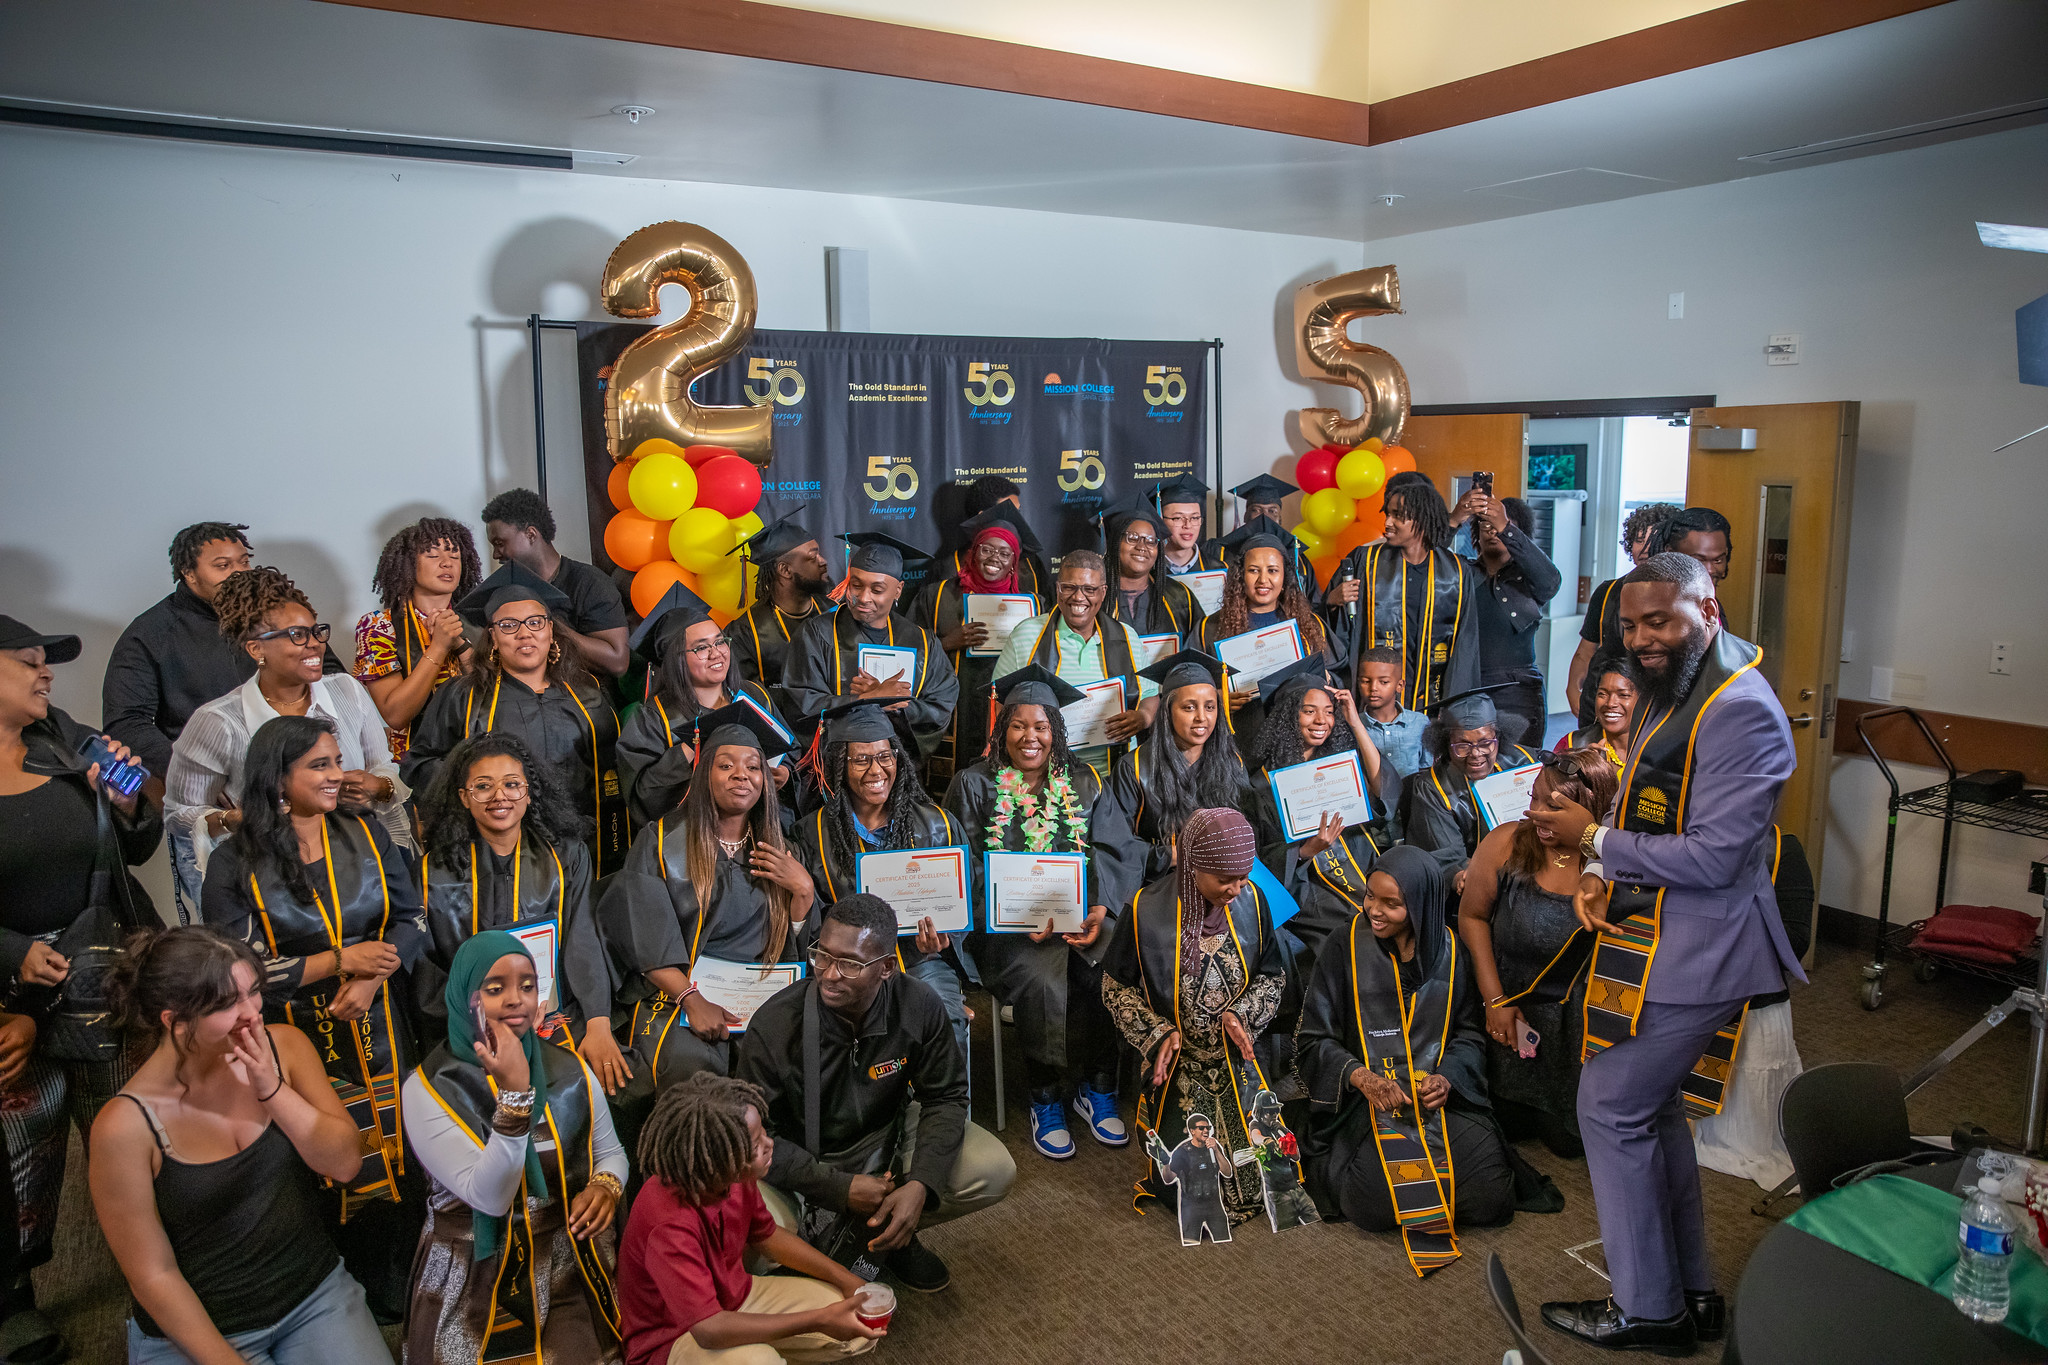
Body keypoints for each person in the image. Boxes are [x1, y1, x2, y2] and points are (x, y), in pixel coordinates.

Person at [1524, 552, 1799, 1355]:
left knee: (1609, 1103)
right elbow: (1650, 800)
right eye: (1633, 624)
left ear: (1707, 612)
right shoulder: (1676, 682)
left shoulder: (1740, 708)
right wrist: (1603, 873)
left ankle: (1651, 1311)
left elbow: (1713, 856)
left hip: (1706, 946)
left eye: (1662, 621)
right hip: (1657, 932)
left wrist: (1595, 840)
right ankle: (1691, 1295)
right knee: (1652, 1109)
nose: (1644, 639)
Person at [199, 714, 430, 1321]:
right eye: (319, 766)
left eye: (336, 761)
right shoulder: (234, 862)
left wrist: (374, 973)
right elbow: (234, 972)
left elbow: (415, 921)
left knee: (400, 1144)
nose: (336, 776)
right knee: (313, 1153)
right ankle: (330, 1285)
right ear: (278, 779)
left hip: (383, 1017)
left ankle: (403, 1275)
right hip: (288, 1029)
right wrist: (336, 962)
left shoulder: (367, 832)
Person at [91, 927, 390, 1365]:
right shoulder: (123, 1127)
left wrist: (273, 1090)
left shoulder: (284, 1046)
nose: (251, 1013)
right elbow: (153, 1276)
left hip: (314, 1296)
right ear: (173, 1020)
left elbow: (345, 1164)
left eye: (253, 992)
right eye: (227, 1004)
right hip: (199, 1332)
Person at [1, 615, 162, 1362]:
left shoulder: (69, 736)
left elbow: (138, 838)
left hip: (104, 974)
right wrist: (11, 956)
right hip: (10, 1004)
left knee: (125, 1131)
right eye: (29, 663)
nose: (46, 674)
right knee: (22, 1154)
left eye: (46, 663)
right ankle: (14, 1298)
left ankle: (152, 1279)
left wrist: (129, 801)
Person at [737, 894, 1016, 1294]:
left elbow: (947, 1097)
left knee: (992, 1168)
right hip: (798, 1164)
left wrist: (919, 1186)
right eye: (823, 956)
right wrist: (836, 1188)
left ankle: (892, 1234)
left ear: (887, 968)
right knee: (758, 1225)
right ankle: (813, 1259)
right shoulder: (777, 1025)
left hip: (883, 1147)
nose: (830, 974)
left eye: (850, 963)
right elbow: (751, 1141)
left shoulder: (919, 1004)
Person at [401, 931, 626, 1363]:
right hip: (468, 1264)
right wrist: (516, 1098)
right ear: (464, 996)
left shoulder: (572, 1069)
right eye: (494, 988)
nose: (515, 999)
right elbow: (490, 1197)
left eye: (527, 985)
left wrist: (606, 1186)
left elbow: (612, 1152)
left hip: (560, 1254)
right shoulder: (427, 1087)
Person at [1296, 846, 1515, 1271]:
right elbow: (1312, 1039)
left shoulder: (1451, 951)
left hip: (1438, 1099)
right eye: (1370, 897)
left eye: (1391, 904)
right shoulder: (1345, 946)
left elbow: (1468, 1032)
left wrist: (1447, 1078)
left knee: (1492, 1195)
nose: (1374, 911)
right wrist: (1363, 1078)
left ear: (1419, 905)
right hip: (1366, 1102)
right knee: (1369, 1202)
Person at [942, 667, 1120, 1161]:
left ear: (1056, 733)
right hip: (1004, 930)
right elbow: (964, 865)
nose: (1030, 737)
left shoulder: (1083, 781)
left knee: (1111, 964)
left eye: (1041, 726)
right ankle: (1046, 1096)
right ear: (1002, 730)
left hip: (1078, 919)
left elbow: (1106, 852)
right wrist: (1020, 913)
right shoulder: (974, 784)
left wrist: (1099, 907)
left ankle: (1098, 1085)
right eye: (1019, 725)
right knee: (1044, 979)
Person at [102, 523, 319, 923]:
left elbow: (323, 676)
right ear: (189, 574)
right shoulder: (150, 634)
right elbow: (126, 723)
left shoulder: (274, 617)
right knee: (234, 938)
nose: (239, 573)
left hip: (300, 796)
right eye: (223, 565)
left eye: (243, 561)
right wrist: (192, 772)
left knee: (315, 918)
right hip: (215, 812)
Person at [167, 567, 413, 911]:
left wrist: (377, 787)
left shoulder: (346, 691)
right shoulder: (219, 721)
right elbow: (179, 813)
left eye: (316, 631)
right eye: (297, 634)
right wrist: (234, 820)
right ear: (256, 649)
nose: (314, 643)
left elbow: (384, 768)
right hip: (275, 886)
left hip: (361, 870)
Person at [601, 705, 815, 1100]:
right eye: (726, 765)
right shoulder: (661, 842)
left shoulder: (782, 852)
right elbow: (645, 935)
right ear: (704, 773)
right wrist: (691, 999)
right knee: (694, 1066)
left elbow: (797, 952)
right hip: (677, 998)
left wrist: (803, 892)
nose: (742, 775)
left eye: (753, 767)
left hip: (760, 1000)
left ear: (766, 781)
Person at [1101, 808, 1288, 1230]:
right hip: (1179, 1069)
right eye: (1225, 879)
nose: (1237, 889)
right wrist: (1158, 1032)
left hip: (1237, 1068)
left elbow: (1273, 976)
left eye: (1243, 877)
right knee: (1193, 1186)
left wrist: (1243, 1015)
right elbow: (1113, 987)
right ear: (1192, 864)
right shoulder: (1144, 911)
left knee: (1263, 1176)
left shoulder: (1253, 901)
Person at [414, 733, 628, 1093]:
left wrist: (598, 1022)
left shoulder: (566, 857)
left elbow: (583, 940)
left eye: (512, 784)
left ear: (529, 792)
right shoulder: (433, 873)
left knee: (596, 1084)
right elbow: (427, 970)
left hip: (557, 1013)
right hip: (471, 1025)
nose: (500, 796)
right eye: (483, 786)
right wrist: (480, 1022)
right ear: (464, 797)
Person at [618, 1073, 883, 1365]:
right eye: (756, 1146)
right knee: (761, 1361)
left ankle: (757, 1346)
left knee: (857, 1323)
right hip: (675, 1339)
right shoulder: (668, 1224)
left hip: (733, 1300)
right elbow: (708, 1330)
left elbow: (766, 1234)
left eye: (762, 1134)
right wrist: (817, 1320)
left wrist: (845, 1279)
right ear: (718, 1163)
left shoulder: (732, 1178)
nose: (769, 1145)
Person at [404, 563, 628, 877]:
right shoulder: (462, 696)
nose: (525, 633)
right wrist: (474, 785)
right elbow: (420, 762)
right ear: (492, 637)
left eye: (536, 622)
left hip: (585, 850)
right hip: (496, 854)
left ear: (551, 631)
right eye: (509, 625)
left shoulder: (586, 692)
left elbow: (613, 769)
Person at [1455, 748, 1621, 1160]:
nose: (1536, 815)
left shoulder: (1614, 866)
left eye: (1553, 807)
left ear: (1589, 812)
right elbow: (1472, 917)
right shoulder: (1505, 843)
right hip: (1510, 1015)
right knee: (1497, 1123)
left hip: (1577, 1029)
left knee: (1569, 1143)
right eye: (1533, 800)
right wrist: (1495, 1002)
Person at [796, 700, 970, 1068]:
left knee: (944, 1019)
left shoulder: (937, 824)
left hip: (922, 961)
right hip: (847, 970)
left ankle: (941, 1119)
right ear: (840, 766)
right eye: (861, 760)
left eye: (885, 756)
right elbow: (814, 921)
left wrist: (944, 940)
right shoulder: (812, 833)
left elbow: (967, 899)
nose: (877, 770)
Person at [1242, 657, 1387, 971]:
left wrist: (1355, 721)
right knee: (1353, 931)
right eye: (1309, 711)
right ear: (1287, 717)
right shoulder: (1261, 786)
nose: (1322, 720)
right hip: (1306, 890)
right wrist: (1307, 850)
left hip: (1364, 869)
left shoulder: (1339, 767)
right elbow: (1257, 865)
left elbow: (1382, 789)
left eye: (1329, 712)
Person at [1090, 650, 1259, 916]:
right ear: (1167, 712)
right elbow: (1115, 843)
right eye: (1189, 707)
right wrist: (1171, 855)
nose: (1202, 717)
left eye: (1210, 706)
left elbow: (1251, 829)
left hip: (1224, 888)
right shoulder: (1133, 768)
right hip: (1158, 887)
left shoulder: (1231, 763)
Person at [620, 583, 788, 824]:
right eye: (701, 648)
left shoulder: (754, 695)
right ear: (676, 660)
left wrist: (784, 773)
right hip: (690, 834)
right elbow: (643, 797)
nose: (716, 653)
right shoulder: (653, 718)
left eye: (720, 642)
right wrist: (691, 746)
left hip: (757, 827)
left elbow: (788, 752)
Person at [782, 532, 960, 761]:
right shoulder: (816, 634)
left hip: (899, 769)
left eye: (877, 590)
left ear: (898, 590)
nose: (863, 597)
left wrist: (896, 705)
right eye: (856, 585)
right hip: (835, 768)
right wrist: (865, 700)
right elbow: (801, 705)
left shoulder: (922, 642)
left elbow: (940, 704)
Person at [987, 550, 1158, 774]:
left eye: (1089, 589)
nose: (1078, 597)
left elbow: (1150, 696)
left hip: (1112, 775)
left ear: (1103, 592)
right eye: (1069, 587)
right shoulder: (1027, 635)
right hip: (1040, 777)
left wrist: (1142, 717)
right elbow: (998, 701)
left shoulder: (1126, 637)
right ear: (1058, 589)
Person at [1323, 478, 1480, 712]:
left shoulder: (1456, 572)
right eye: (1387, 514)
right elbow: (1339, 632)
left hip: (1432, 701)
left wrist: (1456, 709)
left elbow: (1465, 645)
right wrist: (1331, 603)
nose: (1387, 522)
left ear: (1422, 519)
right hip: (1372, 704)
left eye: (1397, 515)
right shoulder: (1365, 561)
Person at [908, 515, 1043, 785]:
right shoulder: (937, 595)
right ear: (973, 552)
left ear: (1014, 563)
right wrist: (946, 642)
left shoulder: (1032, 606)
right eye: (987, 549)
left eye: (1005, 553)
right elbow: (905, 650)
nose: (995, 558)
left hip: (1004, 704)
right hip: (953, 706)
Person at [355, 516, 482, 762]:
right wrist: (439, 646)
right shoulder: (380, 626)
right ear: (407, 565)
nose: (447, 563)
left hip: (479, 757)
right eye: (433, 556)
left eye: (455, 556)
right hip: (415, 765)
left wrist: (462, 646)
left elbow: (495, 698)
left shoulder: (480, 622)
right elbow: (395, 714)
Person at [1191, 528, 1333, 740]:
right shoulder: (1209, 628)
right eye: (1254, 570)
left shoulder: (1310, 626)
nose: (1263, 580)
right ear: (1240, 576)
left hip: (1295, 739)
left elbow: (1338, 675)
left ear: (1285, 577)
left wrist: (1326, 679)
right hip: (1235, 737)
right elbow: (1189, 682)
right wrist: (1215, 698)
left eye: (1273, 570)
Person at [1399, 686, 1542, 895]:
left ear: (1498, 737)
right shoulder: (1433, 788)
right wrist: (1462, 875)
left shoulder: (1524, 762)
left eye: (1486, 743)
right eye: (1462, 745)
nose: (1476, 754)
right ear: (1445, 743)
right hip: (1478, 885)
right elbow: (1447, 855)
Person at [481, 488, 632, 676]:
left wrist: (548, 622)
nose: (496, 554)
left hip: (582, 700)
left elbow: (617, 662)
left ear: (531, 535)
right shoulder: (506, 591)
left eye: (500, 543)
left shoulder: (588, 582)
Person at [1456, 492, 1561, 748]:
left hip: (1518, 689)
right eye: (1486, 524)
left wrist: (1506, 528)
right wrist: (1455, 517)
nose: (1493, 531)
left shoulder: (1531, 578)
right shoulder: (1460, 572)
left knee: (1519, 770)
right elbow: (1431, 562)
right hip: (1467, 687)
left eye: (1503, 526)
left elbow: (1551, 581)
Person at [1565, 502, 1677, 723]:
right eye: (1638, 539)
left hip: (1655, 705)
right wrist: (1573, 689)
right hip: (1606, 703)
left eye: (1653, 539)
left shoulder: (1680, 595)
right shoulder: (1607, 592)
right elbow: (1585, 651)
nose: (1645, 548)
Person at [725, 515, 833, 720]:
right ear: (785, 570)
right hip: (783, 734)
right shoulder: (746, 631)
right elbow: (748, 701)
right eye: (813, 557)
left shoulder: (833, 612)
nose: (824, 562)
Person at [1098, 494, 1203, 644]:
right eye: (1132, 538)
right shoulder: (1093, 596)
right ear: (1114, 542)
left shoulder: (1179, 596)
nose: (1142, 547)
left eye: (1151, 541)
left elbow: (1200, 648)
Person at [1351, 645, 1429, 818]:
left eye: (1384, 682)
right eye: (1365, 681)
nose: (1373, 688)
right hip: (1373, 821)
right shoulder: (1352, 727)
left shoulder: (1420, 723)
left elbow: (1428, 773)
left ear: (1399, 685)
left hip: (1413, 816)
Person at [1142, 1117, 1231, 1246]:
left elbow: (1227, 1172)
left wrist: (1217, 1151)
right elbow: (1168, 1179)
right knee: (1191, 1244)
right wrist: (1165, 1162)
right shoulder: (1183, 1151)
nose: (1206, 1131)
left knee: (1224, 1242)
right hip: (1192, 1206)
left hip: (1214, 1204)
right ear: (1192, 1131)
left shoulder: (1213, 1148)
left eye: (1208, 1128)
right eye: (1201, 1128)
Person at [1555, 654, 1640, 766]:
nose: (1610, 703)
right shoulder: (1572, 744)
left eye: (1623, 695)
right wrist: (1579, 769)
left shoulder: (1663, 748)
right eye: (1602, 694)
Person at [1153, 474, 1226, 575]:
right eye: (1177, 518)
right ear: (1160, 520)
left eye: (1195, 518)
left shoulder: (1218, 570)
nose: (1188, 525)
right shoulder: (1147, 570)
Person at [1647, 505, 1734, 586]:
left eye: (1718, 560)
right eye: (1699, 560)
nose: (1710, 570)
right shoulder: (1649, 600)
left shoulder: (1709, 601)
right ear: (1670, 554)